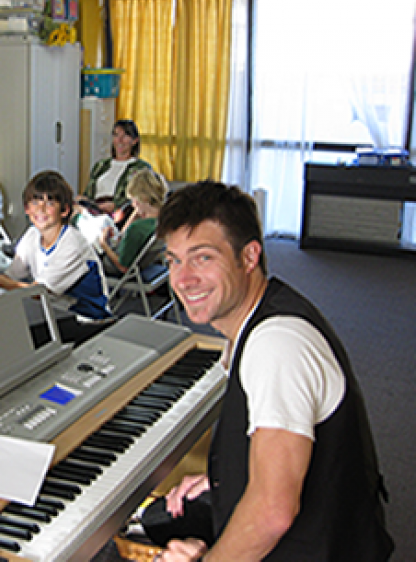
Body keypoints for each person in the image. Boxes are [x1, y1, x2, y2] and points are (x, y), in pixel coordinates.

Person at [141, 180, 393, 561]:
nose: (183, 278)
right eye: (174, 260)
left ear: (249, 257)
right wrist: (228, 479)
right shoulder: (263, 318)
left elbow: (273, 512)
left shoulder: (277, 345)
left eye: (203, 257)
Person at [0, 170, 111, 322]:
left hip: (85, 317)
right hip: (55, 309)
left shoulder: (72, 243)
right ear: (27, 209)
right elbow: (12, 275)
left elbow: (38, 292)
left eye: (50, 203)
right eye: (35, 202)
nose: (41, 209)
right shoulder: (32, 235)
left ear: (64, 210)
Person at [79, 119, 155, 218]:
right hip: (94, 208)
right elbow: (89, 193)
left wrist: (116, 205)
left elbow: (142, 198)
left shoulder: (141, 168)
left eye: (125, 136)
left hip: (119, 213)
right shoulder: (101, 165)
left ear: (135, 141)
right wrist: (82, 200)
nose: (120, 140)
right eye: (116, 135)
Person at [98, 168, 168, 276]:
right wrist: (138, 211)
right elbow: (122, 236)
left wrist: (103, 244)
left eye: (133, 200)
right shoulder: (164, 220)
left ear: (143, 198)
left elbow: (124, 268)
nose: (132, 204)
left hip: (114, 267)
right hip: (142, 263)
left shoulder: (137, 228)